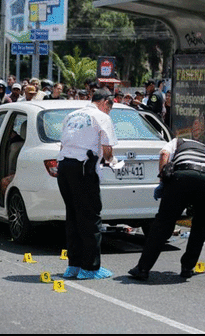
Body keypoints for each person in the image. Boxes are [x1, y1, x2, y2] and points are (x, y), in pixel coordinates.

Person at [128, 137, 205, 281]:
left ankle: (143, 269)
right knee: (199, 226)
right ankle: (187, 268)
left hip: (182, 178)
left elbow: (164, 155)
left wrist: (162, 181)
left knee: (163, 223)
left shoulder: (178, 142)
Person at [57, 88, 117, 280]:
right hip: (84, 169)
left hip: (64, 167)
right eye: (111, 106)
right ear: (105, 102)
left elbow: (63, 144)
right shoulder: (101, 116)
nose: (110, 111)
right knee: (91, 218)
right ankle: (90, 268)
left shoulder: (72, 115)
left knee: (73, 217)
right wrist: (112, 161)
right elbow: (107, 150)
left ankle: (73, 266)